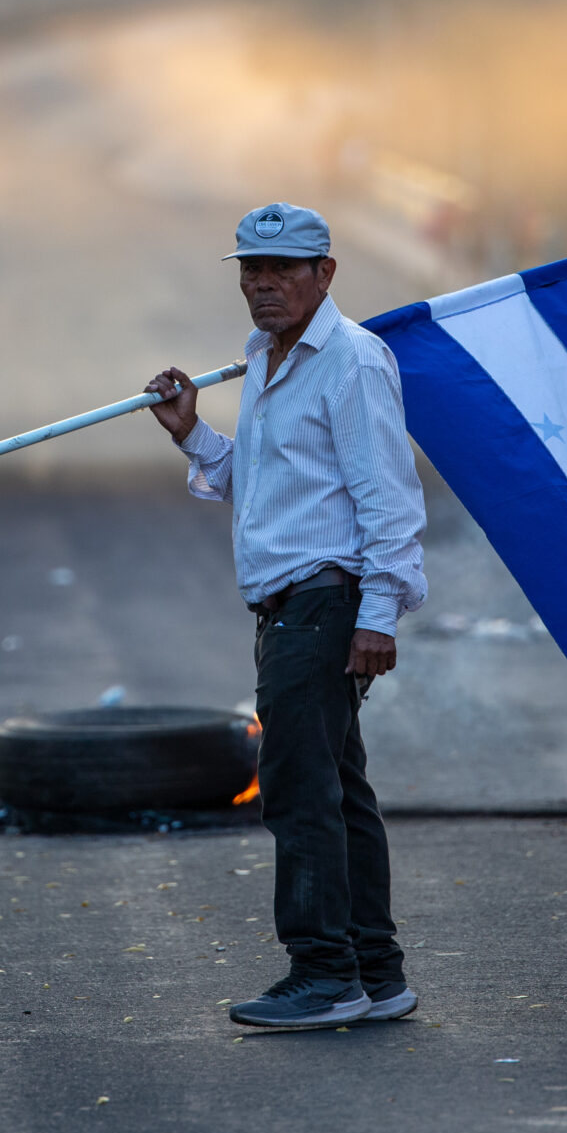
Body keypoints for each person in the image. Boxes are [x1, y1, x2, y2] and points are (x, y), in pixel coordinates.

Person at [147, 202, 427, 1030]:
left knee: (299, 791)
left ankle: (322, 973)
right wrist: (194, 434)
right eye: (251, 271)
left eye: (283, 270)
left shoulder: (351, 361)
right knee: (339, 791)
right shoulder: (263, 359)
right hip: (292, 603)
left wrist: (380, 611)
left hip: (324, 603)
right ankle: (375, 972)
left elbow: (389, 501)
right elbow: (271, 485)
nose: (264, 286)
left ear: (325, 274)